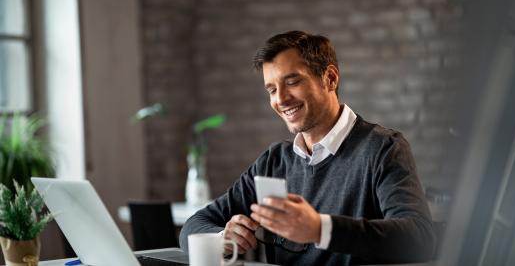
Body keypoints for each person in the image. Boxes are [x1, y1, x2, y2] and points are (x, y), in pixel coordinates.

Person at [180, 31, 435, 265]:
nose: (280, 99)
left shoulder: (383, 149)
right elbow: (193, 227)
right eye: (272, 89)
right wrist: (223, 236)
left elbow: (419, 238)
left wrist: (319, 229)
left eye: (292, 82)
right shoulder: (274, 161)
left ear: (330, 78)